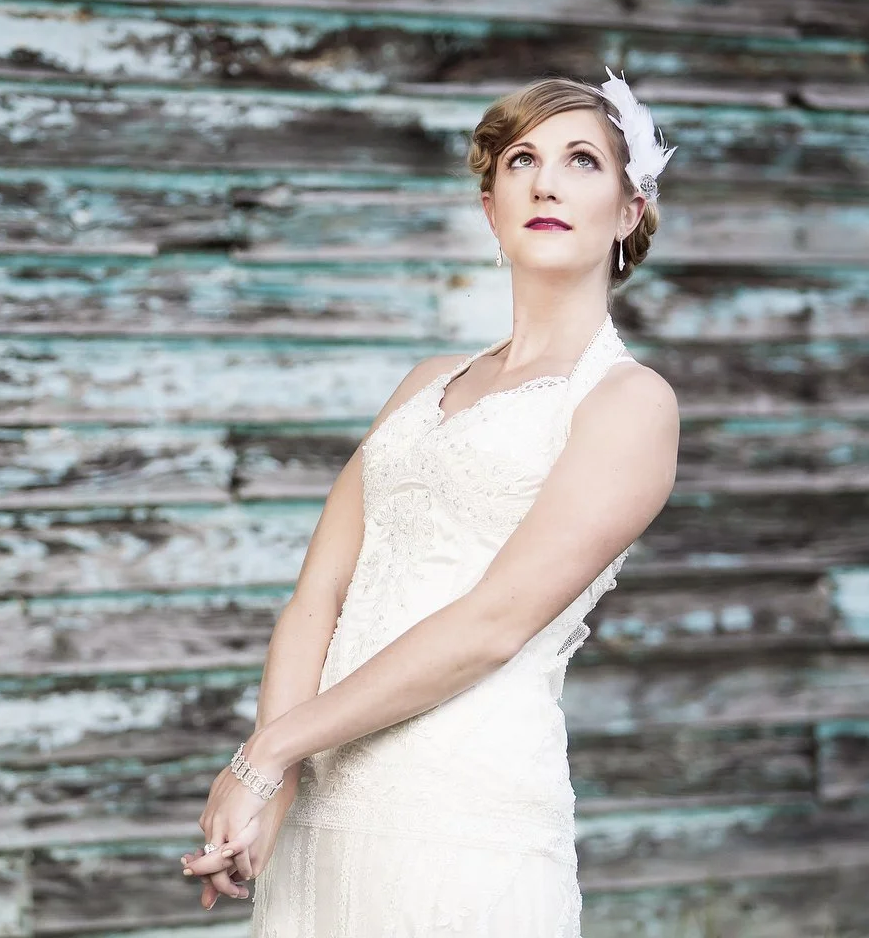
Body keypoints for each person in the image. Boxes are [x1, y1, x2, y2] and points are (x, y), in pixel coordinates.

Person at [178, 67, 681, 936]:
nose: (547, 181)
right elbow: (318, 598)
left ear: (629, 213)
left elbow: (493, 623)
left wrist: (267, 754)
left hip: (464, 819)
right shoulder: (422, 386)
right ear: (491, 207)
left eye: (582, 162)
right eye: (521, 159)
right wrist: (274, 791)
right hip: (324, 811)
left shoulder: (628, 403)